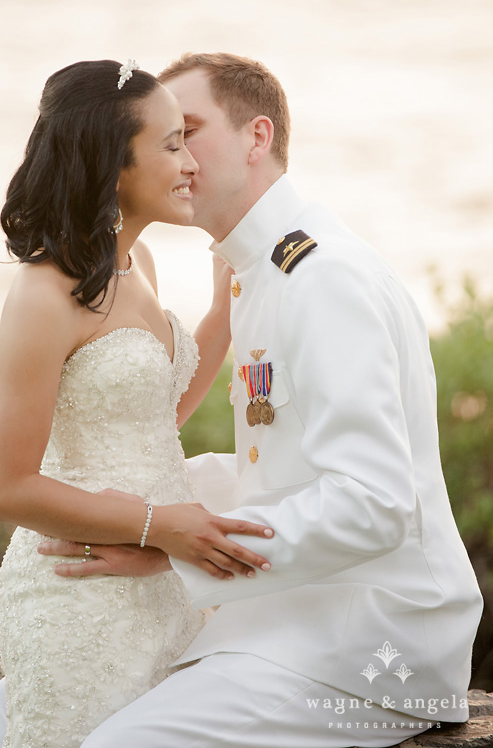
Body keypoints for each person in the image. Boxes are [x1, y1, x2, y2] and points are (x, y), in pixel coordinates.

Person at [27, 53, 483, 748]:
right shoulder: (257, 271)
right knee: (39, 710)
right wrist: (140, 505)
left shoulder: (319, 278)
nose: (174, 154)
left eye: (189, 130)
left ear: (257, 137)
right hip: (293, 610)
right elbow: (280, 466)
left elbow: (375, 502)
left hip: (371, 643)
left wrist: (178, 550)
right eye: (164, 137)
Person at [0, 59, 275, 748]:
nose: (190, 163)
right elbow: (8, 488)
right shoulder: (43, 295)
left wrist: (218, 318)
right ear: (113, 164)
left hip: (162, 582)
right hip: (78, 594)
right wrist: (157, 525)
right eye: (171, 144)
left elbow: (151, 420)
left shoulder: (135, 264)